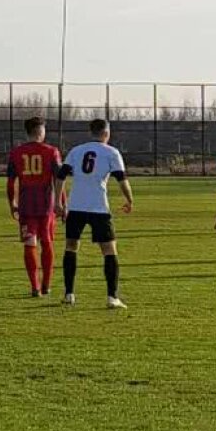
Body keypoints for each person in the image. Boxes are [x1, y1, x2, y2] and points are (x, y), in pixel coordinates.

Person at [53, 118, 132, 309]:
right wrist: (129, 199)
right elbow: (122, 179)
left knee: (71, 247)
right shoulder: (111, 152)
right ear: (107, 133)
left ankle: (69, 294)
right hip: (99, 208)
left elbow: (60, 176)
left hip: (76, 206)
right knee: (109, 250)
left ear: (91, 132)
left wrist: (58, 202)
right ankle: (112, 297)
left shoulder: (76, 150)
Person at [6, 117, 63, 297]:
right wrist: (62, 203)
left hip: (26, 204)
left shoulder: (16, 153)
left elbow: (10, 182)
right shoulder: (52, 151)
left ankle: (35, 287)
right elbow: (59, 180)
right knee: (47, 242)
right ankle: (46, 285)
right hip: (46, 204)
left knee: (29, 242)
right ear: (41, 131)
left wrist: (12, 203)